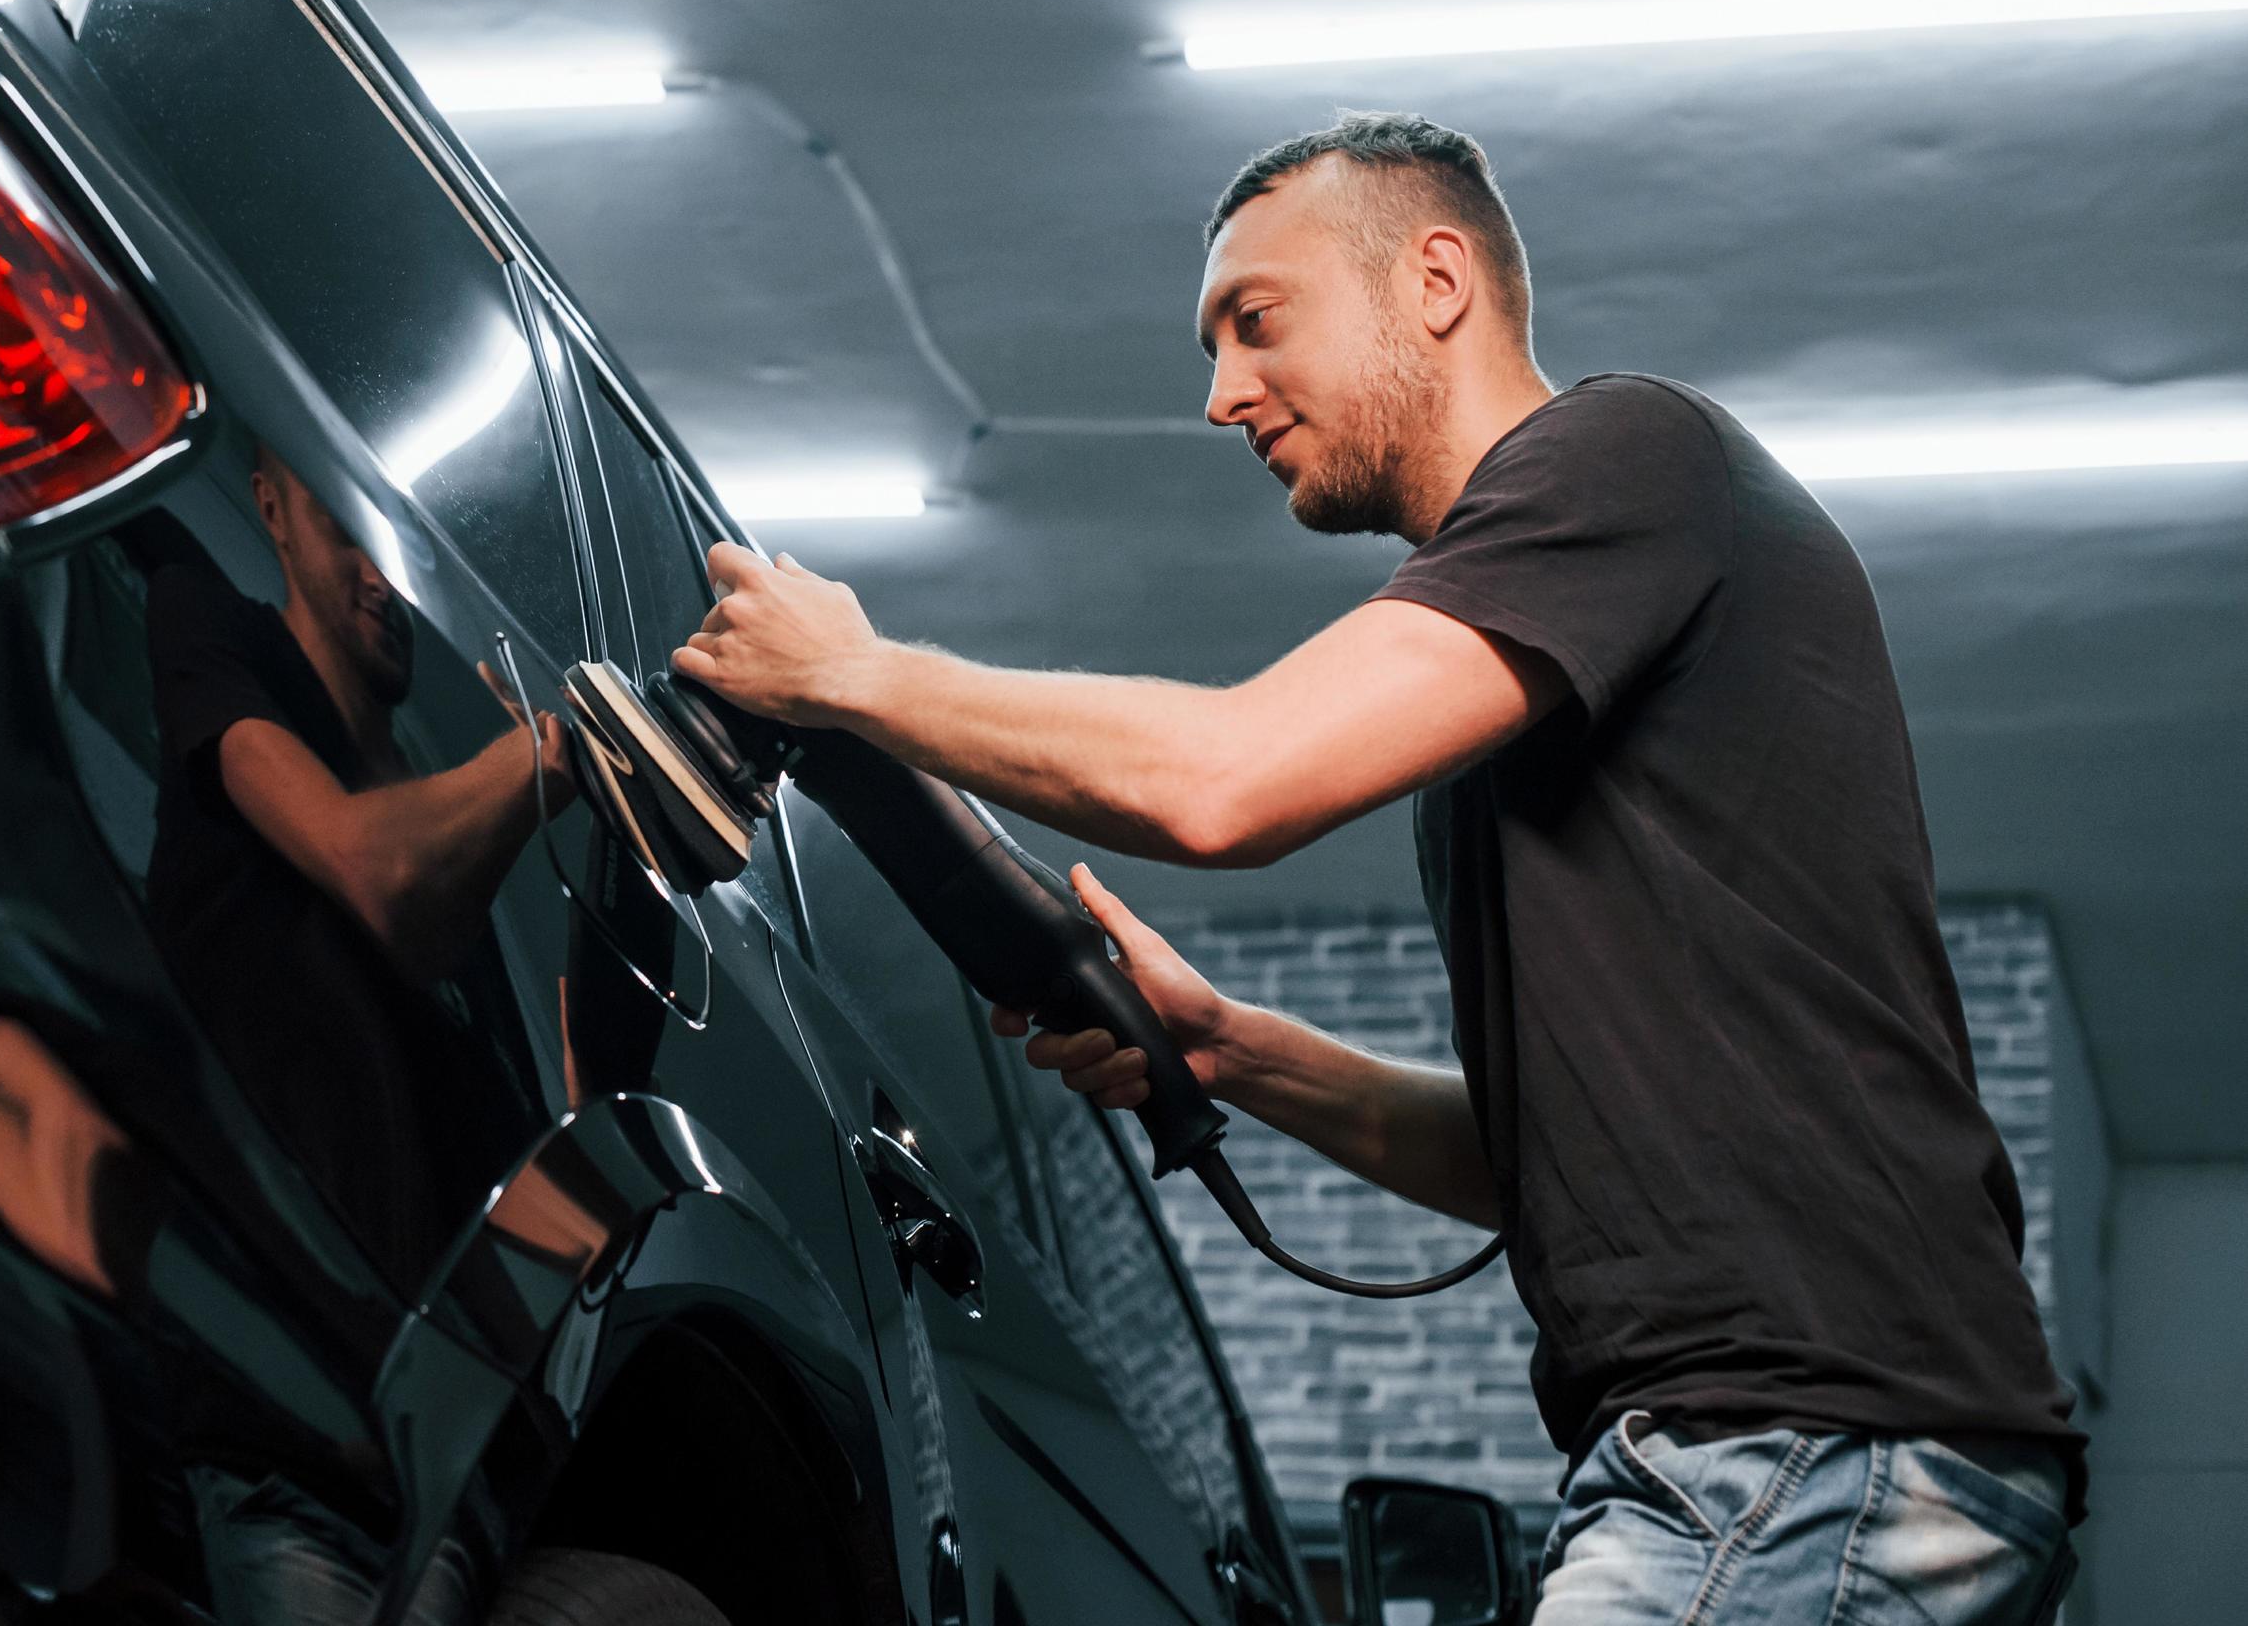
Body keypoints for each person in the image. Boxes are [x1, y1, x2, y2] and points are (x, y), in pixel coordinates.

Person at [673, 113, 2082, 1620]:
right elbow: (1532, 1161)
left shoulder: (1628, 456)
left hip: (1805, 1449)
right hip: (1765, 1455)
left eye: (1255, 323)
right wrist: (1236, 1050)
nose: (1222, 396)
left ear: (1435, 279)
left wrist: (857, 674)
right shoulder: (1508, 707)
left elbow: (1227, 782)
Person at [143, 442, 568, 1294]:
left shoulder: (454, 860)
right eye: (347, 530)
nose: (381, 576)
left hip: (404, 1358)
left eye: (399, 547)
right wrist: (547, 756)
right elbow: (370, 868)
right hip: (248, 1295)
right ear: (273, 513)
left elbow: (487, 1197)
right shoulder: (215, 633)